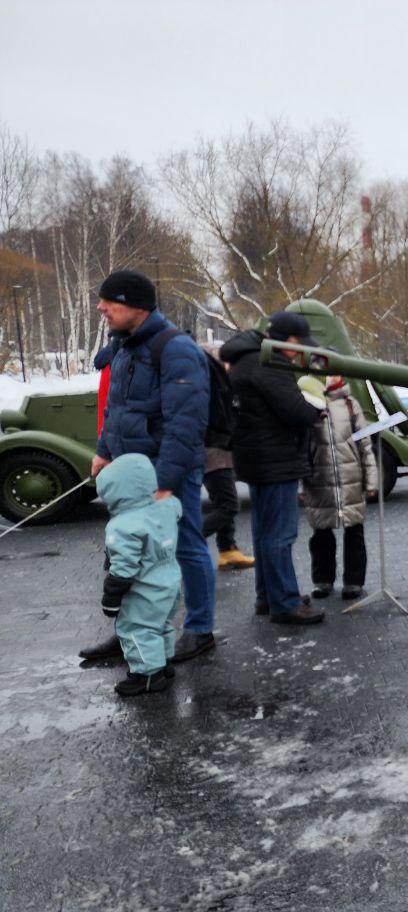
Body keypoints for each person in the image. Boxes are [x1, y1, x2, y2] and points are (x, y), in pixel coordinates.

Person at [81, 270, 217, 665]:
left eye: (111, 301)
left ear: (136, 306)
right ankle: (131, 632)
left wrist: (166, 480)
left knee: (186, 545)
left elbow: (187, 422)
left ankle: (199, 628)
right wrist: (104, 450)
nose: (101, 307)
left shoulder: (176, 349)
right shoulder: (124, 345)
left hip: (166, 472)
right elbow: (117, 407)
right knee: (128, 550)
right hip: (129, 469)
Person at [220, 311, 326, 625]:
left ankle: (267, 597)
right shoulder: (267, 364)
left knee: (265, 533)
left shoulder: (246, 358)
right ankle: (285, 602)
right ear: (284, 340)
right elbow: (295, 410)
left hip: (256, 459)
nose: (301, 351)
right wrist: (315, 411)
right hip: (275, 460)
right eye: (299, 344)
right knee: (280, 535)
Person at [98, 454, 182, 697]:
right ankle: (164, 664)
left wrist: (111, 599)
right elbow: (175, 507)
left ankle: (148, 676)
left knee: (136, 629)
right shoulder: (166, 507)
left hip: (144, 588)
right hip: (169, 581)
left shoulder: (122, 525)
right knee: (161, 623)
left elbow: (124, 568)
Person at [300, 376, 377, 600]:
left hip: (350, 480)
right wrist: (301, 484)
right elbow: (303, 448)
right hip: (319, 481)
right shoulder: (310, 403)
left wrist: (371, 480)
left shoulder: (351, 405)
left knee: (354, 532)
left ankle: (354, 581)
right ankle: (322, 580)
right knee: (321, 534)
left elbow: (365, 446)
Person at [199, 341, 254, 571]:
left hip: (217, 448)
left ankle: (228, 549)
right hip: (215, 450)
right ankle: (186, 540)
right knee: (229, 505)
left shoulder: (211, 380)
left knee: (223, 501)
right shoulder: (214, 382)